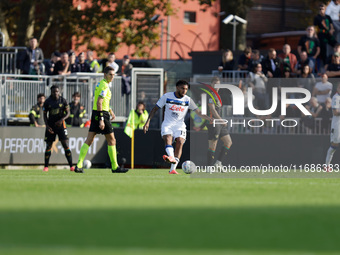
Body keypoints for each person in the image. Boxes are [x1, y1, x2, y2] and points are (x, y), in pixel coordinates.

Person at [143, 80, 212, 174]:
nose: (184, 91)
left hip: (180, 125)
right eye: (182, 88)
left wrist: (209, 118)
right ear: (177, 87)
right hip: (168, 124)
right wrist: (147, 122)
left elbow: (198, 112)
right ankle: (171, 157)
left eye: (186, 89)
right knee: (168, 138)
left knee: (180, 142)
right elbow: (155, 109)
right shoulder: (167, 96)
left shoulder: (187, 99)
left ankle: (172, 169)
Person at [74, 66, 128, 173]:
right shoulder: (104, 86)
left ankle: (79, 165)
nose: (112, 77)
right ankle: (115, 167)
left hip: (96, 113)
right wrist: (102, 119)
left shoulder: (101, 84)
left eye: (113, 75)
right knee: (112, 140)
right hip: (101, 114)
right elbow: (99, 102)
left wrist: (110, 111)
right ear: (105, 75)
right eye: (110, 75)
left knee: (89, 140)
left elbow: (103, 102)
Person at [43, 85, 74, 172]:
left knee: (65, 144)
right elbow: (44, 115)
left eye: (57, 91)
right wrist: (47, 126)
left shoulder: (63, 100)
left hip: (61, 125)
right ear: (51, 92)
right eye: (54, 92)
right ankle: (46, 167)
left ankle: (71, 166)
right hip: (51, 126)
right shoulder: (47, 101)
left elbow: (68, 113)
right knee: (49, 145)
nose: (55, 93)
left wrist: (61, 119)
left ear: (59, 92)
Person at [206, 77, 232, 169]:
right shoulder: (210, 95)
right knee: (213, 145)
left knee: (228, 142)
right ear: (211, 84)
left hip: (219, 123)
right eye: (215, 84)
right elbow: (212, 109)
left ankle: (218, 163)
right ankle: (209, 167)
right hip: (214, 123)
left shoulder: (217, 95)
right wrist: (221, 120)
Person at [325, 83, 340, 169]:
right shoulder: (336, 97)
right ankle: (327, 165)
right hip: (337, 125)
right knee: (334, 146)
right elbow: (335, 112)